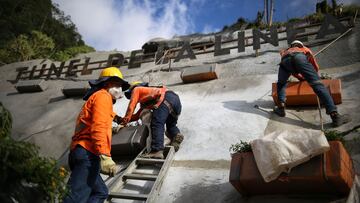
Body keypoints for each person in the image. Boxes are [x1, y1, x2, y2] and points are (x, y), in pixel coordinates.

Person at [63, 67, 129, 203]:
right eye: (116, 84)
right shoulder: (103, 96)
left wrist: (117, 121)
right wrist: (105, 155)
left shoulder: (97, 98)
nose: (119, 89)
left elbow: (100, 120)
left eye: (120, 86)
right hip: (87, 153)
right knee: (75, 199)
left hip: (79, 152)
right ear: (106, 84)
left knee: (100, 192)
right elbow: (99, 126)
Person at [274, 40, 351, 127]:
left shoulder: (285, 51)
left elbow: (293, 71)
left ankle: (281, 108)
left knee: (281, 83)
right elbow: (315, 67)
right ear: (300, 45)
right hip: (299, 58)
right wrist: (313, 78)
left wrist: (301, 78)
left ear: (291, 46)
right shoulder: (305, 49)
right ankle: (335, 116)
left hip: (284, 62)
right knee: (318, 85)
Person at [121, 82, 183, 159]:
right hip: (176, 101)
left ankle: (157, 150)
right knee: (171, 125)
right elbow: (137, 116)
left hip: (165, 98)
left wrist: (125, 120)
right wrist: (121, 120)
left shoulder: (136, 89)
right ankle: (176, 134)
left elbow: (131, 106)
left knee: (156, 123)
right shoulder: (148, 96)